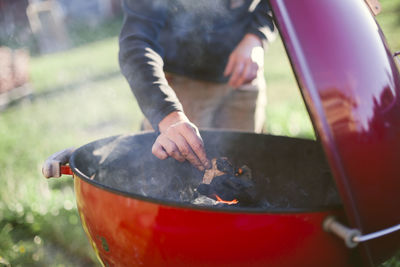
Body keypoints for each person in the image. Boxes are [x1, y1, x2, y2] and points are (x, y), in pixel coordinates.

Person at [119, 0, 275, 171]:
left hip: (244, 74)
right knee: (176, 180)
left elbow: (273, 5)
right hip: (181, 88)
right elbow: (137, 42)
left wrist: (256, 37)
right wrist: (167, 114)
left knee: (244, 172)